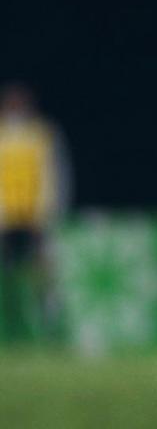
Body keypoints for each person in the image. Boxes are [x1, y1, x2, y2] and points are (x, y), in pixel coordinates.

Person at [0, 82, 70, 343]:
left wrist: (49, 212)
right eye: (11, 103)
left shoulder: (43, 133)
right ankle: (9, 330)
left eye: (20, 103)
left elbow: (56, 173)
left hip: (36, 216)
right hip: (4, 217)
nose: (16, 108)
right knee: (6, 275)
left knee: (44, 272)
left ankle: (51, 330)